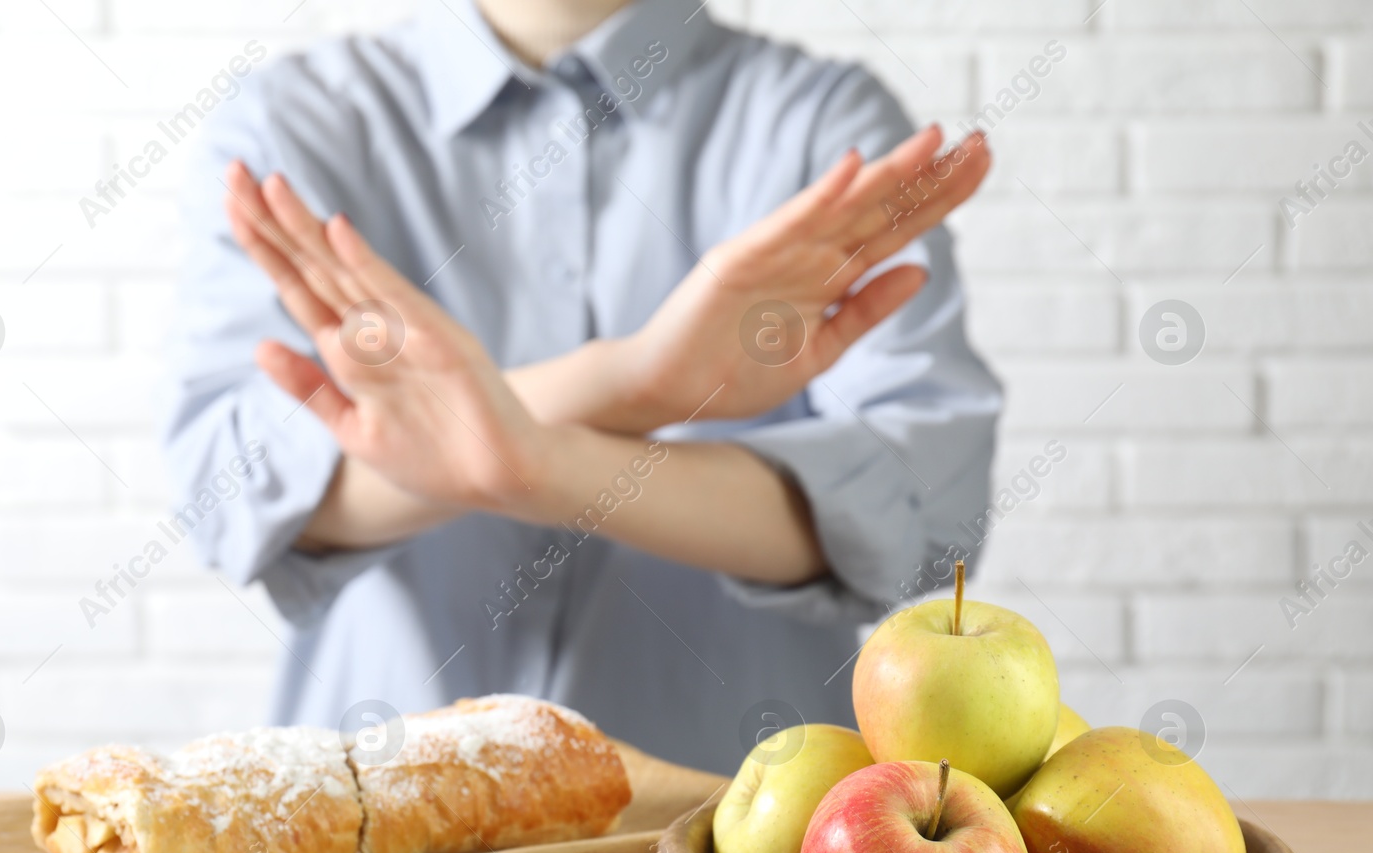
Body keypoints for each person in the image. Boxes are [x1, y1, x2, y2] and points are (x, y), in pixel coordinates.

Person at [164, 0, 1000, 773]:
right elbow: (227, 491)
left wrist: (549, 463)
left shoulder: (823, 123)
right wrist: (629, 384)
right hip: (377, 845)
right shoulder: (291, 122)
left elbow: (932, 504)